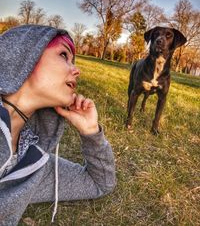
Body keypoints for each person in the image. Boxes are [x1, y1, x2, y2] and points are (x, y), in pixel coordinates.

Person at [0, 25, 116, 226]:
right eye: (63, 54)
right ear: (24, 53)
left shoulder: (33, 164)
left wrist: (91, 133)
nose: (77, 70)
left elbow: (100, 183)